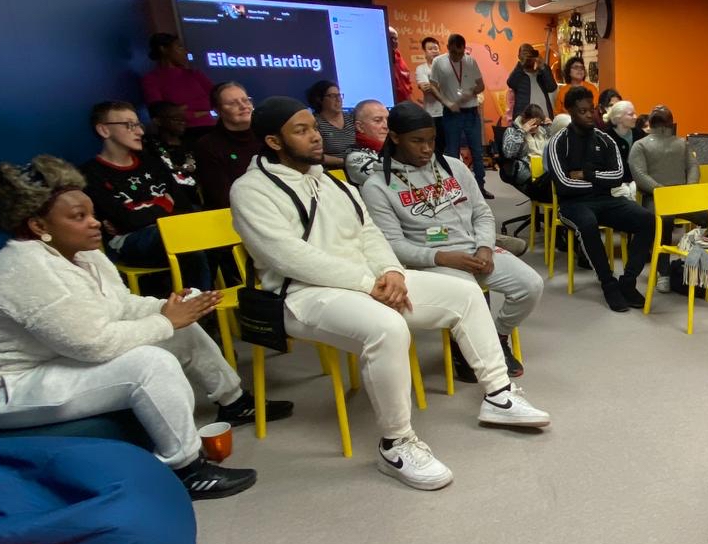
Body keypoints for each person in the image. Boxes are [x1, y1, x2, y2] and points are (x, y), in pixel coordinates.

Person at [229, 96, 550, 491]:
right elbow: (290, 256)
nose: (315, 137)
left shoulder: (327, 180)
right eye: (301, 131)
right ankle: (396, 444)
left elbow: (369, 233)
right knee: (389, 328)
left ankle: (499, 395)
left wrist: (391, 272)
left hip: (370, 281)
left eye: (313, 127)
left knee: (462, 295)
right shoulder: (250, 190)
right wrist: (371, 283)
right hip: (305, 296)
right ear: (274, 142)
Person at [0, 157, 295, 499]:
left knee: (181, 330)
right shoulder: (23, 269)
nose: (95, 223)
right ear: (39, 227)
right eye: (79, 217)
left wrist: (168, 308)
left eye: (92, 213)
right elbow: (93, 344)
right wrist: (164, 320)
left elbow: (119, 306)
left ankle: (234, 402)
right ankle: (186, 469)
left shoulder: (84, 254)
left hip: (48, 359)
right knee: (149, 365)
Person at [361, 102, 539, 379]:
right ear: (395, 138)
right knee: (469, 298)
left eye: (431, 140)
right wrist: (442, 257)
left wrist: (484, 247)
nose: (427, 148)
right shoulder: (377, 186)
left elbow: (481, 212)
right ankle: (470, 349)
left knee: (531, 286)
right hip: (432, 260)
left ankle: (497, 335)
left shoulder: (453, 166)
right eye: (417, 141)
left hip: (475, 249)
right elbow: (393, 245)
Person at [80, 101, 212, 292]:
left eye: (138, 124)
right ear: (104, 130)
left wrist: (147, 213)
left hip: (173, 233)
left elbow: (183, 206)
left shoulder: (153, 164)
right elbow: (126, 221)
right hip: (129, 243)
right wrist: (164, 203)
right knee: (182, 237)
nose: (140, 132)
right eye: (129, 125)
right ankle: (199, 309)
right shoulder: (90, 174)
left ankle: (205, 305)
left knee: (209, 226)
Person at [545, 86, 657, 313]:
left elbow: (618, 176)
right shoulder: (558, 142)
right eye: (581, 111)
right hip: (572, 205)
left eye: (590, 110)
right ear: (570, 112)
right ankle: (608, 283)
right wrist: (599, 181)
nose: (588, 115)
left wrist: (587, 174)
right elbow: (564, 184)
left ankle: (628, 282)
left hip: (607, 200)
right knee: (587, 223)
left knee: (648, 219)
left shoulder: (605, 139)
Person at [628, 105, 700, 293]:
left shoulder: (682, 144)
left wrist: (689, 187)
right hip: (655, 198)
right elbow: (640, 174)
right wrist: (661, 191)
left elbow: (693, 167)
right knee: (664, 222)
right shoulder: (640, 145)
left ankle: (701, 267)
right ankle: (664, 272)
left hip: (682, 197)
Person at [429, 33, 489, 197]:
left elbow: (481, 85)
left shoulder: (470, 61)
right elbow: (432, 86)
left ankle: (480, 188)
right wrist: (446, 102)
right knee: (452, 153)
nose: (458, 56)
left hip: (471, 112)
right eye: (454, 53)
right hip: (451, 113)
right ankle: (455, 189)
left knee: (477, 151)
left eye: (460, 53)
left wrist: (470, 93)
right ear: (448, 48)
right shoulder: (438, 62)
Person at [191, 82, 258, 210]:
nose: (244, 106)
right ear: (218, 110)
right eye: (233, 103)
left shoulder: (267, 136)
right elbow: (222, 197)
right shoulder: (207, 145)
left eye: (246, 100)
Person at [141, 33, 215, 137]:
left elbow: (214, 99)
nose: (185, 52)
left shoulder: (195, 74)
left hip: (211, 129)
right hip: (181, 133)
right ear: (163, 49)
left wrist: (184, 107)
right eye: (179, 47)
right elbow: (161, 113)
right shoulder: (151, 79)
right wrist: (198, 113)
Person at [305, 79, 355, 169]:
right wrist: (344, 162)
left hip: (358, 165)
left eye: (339, 95)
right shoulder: (315, 123)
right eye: (332, 96)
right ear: (319, 99)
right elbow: (312, 155)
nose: (338, 100)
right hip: (334, 170)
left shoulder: (351, 118)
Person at [145, 100, 195, 178]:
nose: (182, 122)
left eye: (183, 118)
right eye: (175, 119)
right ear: (158, 121)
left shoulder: (191, 143)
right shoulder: (151, 147)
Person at [344, 99, 389, 185]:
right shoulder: (354, 157)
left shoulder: (396, 148)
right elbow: (392, 180)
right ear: (360, 127)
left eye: (388, 120)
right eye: (378, 120)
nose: (386, 126)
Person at [506, 44, 557, 121]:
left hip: (545, 120)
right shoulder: (519, 75)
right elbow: (511, 83)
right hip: (525, 122)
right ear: (519, 57)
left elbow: (552, 87)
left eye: (530, 53)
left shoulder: (541, 74)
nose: (528, 56)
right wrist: (521, 64)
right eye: (525, 54)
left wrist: (543, 66)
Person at [415, 36, 446, 154]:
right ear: (425, 52)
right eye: (430, 49)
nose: (434, 51)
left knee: (449, 145)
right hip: (432, 114)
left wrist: (432, 85)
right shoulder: (421, 69)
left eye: (436, 48)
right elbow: (425, 88)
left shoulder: (447, 68)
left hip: (448, 112)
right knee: (435, 146)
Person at [604, 99, 643, 166]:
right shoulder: (606, 137)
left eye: (635, 113)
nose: (635, 117)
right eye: (631, 114)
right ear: (618, 118)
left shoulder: (639, 133)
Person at [387, 25, 414, 104]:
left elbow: (408, 78)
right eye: (391, 38)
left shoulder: (399, 58)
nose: (394, 41)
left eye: (395, 39)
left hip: (404, 102)